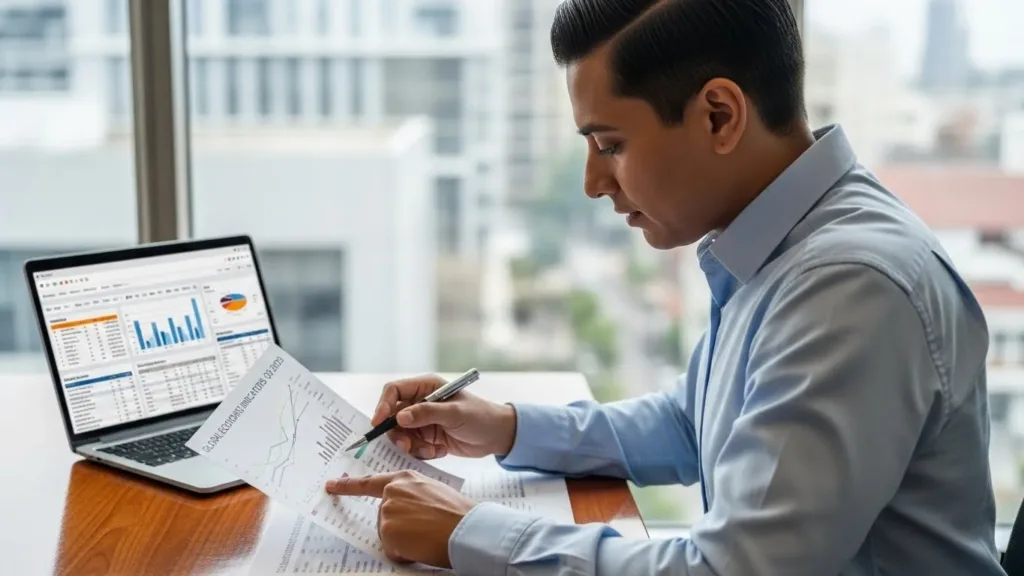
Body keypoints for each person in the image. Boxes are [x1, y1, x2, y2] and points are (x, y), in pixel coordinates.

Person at [326, 0, 1006, 573]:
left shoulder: (849, 289)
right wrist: (502, 426)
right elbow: (692, 422)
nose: (594, 182)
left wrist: (467, 531)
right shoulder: (781, 237)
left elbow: (728, 568)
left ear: (718, 115)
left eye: (610, 144)